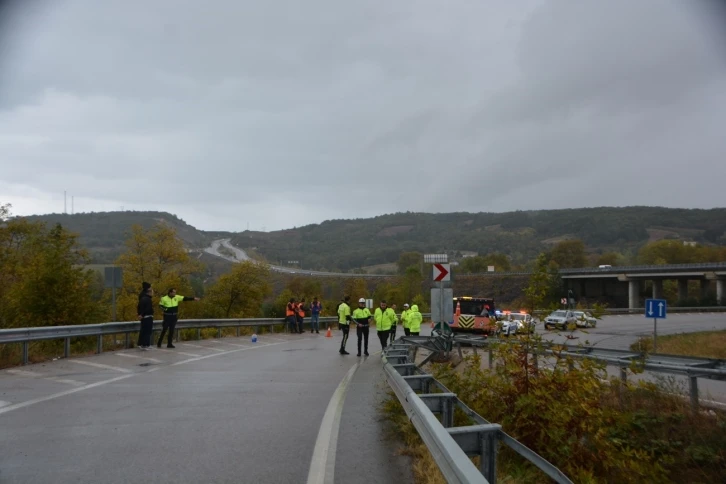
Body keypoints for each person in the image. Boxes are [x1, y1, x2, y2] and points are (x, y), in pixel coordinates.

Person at [137, 282, 154, 350]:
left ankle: (142, 344)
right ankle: (145, 344)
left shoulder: (142, 297)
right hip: (147, 316)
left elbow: (139, 307)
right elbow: (146, 308)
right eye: (150, 288)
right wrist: (141, 314)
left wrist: (139, 314)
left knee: (143, 331)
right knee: (147, 331)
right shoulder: (146, 299)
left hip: (144, 316)